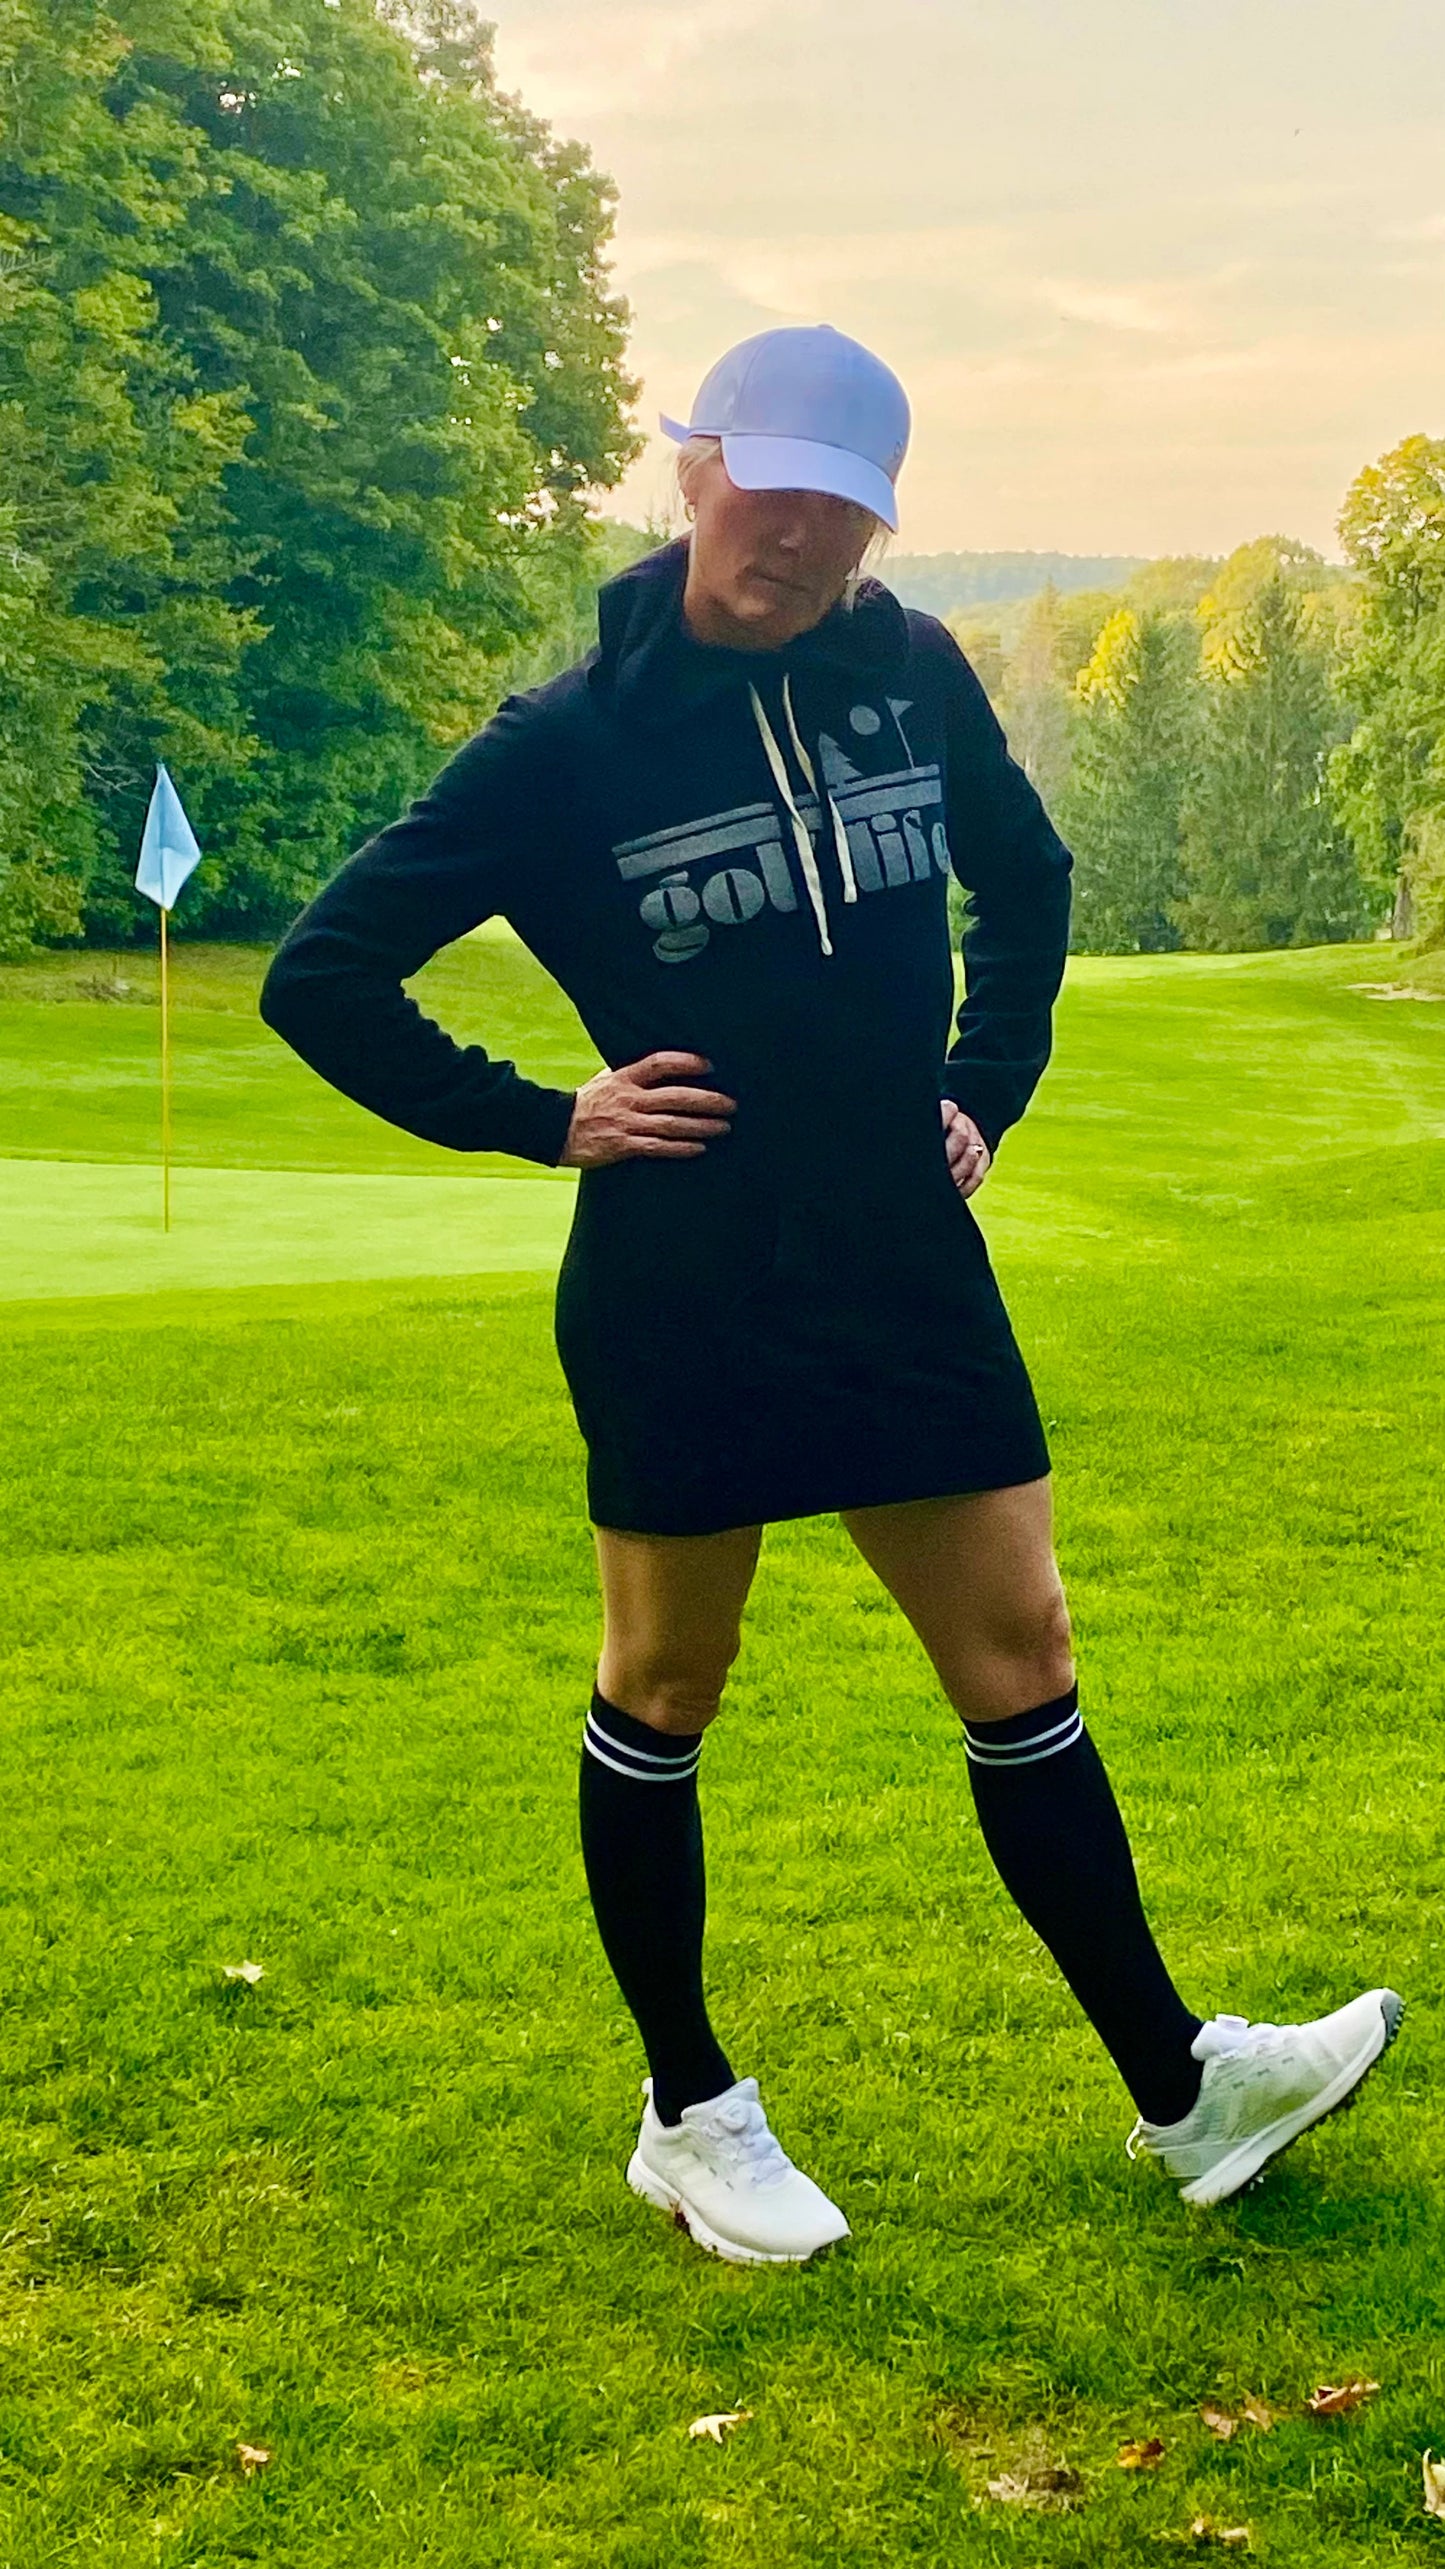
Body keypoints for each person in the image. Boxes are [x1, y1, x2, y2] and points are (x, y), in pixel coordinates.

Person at [260, 324, 1403, 2267]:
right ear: (690, 462)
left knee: (1022, 1652)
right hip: (685, 1281)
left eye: (839, 516)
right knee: (668, 1683)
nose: (791, 541)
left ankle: (1183, 2086)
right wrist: (544, 1117)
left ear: (880, 526)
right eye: (764, 491)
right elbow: (322, 972)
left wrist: (983, 1082)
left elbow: (1025, 886)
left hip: (896, 1262)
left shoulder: (909, 675)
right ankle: (690, 2108)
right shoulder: (567, 743)